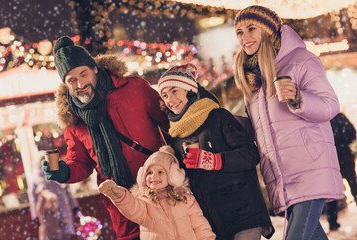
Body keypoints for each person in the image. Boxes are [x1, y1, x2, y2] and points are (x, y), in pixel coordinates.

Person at [233, 5, 344, 239]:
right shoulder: (254, 78)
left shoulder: (301, 61)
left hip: (309, 167)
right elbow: (263, 129)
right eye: (240, 32)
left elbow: (329, 105)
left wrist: (298, 98)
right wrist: (227, 124)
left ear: (268, 30)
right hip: (282, 174)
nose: (245, 38)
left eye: (251, 28)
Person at [41, 36, 169, 240]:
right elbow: (81, 163)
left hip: (162, 194)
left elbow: (170, 124)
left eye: (83, 74)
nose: (80, 83)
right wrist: (64, 172)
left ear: (95, 69)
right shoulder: (73, 119)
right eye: (71, 80)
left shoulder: (134, 88)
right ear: (65, 84)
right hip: (124, 209)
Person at [158, 63, 274, 240]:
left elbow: (250, 154)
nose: (170, 99)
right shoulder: (176, 136)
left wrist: (214, 160)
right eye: (165, 95)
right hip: (214, 223)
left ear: (189, 90)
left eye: (174, 91)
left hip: (244, 213)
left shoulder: (218, 117)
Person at [98, 145, 216, 240]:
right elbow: (132, 208)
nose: (154, 176)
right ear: (143, 175)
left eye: (160, 172)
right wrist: (120, 196)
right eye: (149, 173)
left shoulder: (186, 199)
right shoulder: (145, 202)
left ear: (172, 176)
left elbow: (200, 226)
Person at [28, 155, 78, 240]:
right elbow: (33, 199)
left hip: (63, 210)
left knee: (65, 234)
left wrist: (74, 206)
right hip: (48, 214)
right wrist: (36, 216)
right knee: (52, 235)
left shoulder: (57, 174)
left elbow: (67, 192)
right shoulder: (36, 179)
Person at [325, 112, 357, 231]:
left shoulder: (321, 120)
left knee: (332, 191)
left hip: (330, 159)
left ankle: (332, 223)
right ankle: (333, 223)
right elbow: (352, 134)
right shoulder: (339, 117)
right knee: (354, 185)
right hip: (344, 156)